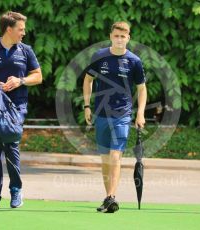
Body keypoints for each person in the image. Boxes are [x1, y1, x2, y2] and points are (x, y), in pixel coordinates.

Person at [0, 11, 42, 209]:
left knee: (11, 141)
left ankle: (16, 190)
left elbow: (38, 76)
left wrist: (20, 80)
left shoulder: (26, 50)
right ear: (9, 29)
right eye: (20, 29)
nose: (24, 32)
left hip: (17, 106)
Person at [83, 21, 147, 213]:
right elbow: (88, 80)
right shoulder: (99, 56)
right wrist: (87, 106)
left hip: (122, 115)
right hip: (101, 114)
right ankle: (107, 198)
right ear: (111, 36)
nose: (120, 39)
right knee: (105, 159)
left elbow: (142, 89)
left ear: (128, 38)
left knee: (115, 156)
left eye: (123, 36)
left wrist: (140, 113)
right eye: (116, 36)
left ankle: (112, 196)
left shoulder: (134, 61)